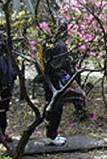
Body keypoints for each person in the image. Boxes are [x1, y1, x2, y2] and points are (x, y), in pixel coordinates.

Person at [39, 17, 72, 146]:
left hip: (51, 80)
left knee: (53, 107)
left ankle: (52, 133)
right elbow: (58, 64)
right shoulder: (56, 44)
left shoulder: (50, 42)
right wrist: (64, 76)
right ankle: (51, 135)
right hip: (55, 81)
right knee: (55, 108)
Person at [0, 44, 16, 143]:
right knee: (1, 112)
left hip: (5, 88)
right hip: (3, 88)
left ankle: (3, 134)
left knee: (2, 112)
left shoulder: (6, 56)